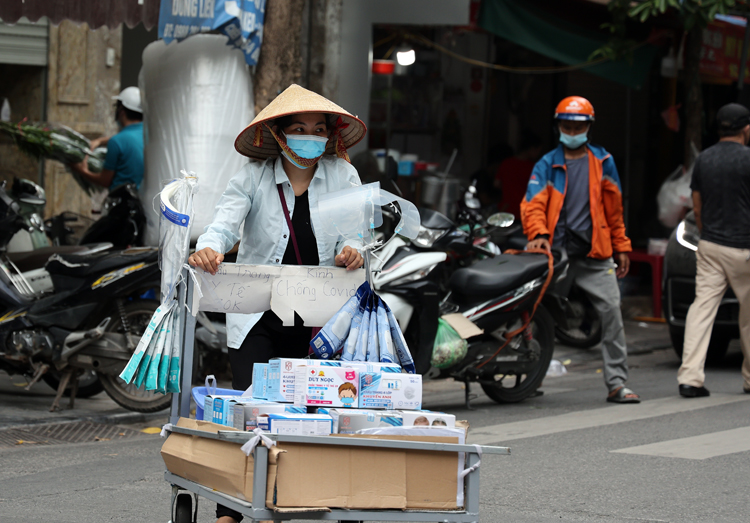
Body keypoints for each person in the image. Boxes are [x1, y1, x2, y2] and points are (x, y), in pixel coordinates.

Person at [188, 84, 365, 523]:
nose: (311, 136)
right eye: (300, 128)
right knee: (251, 413)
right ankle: (229, 509)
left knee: (316, 416)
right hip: (257, 316)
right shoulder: (252, 175)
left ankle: (305, 501)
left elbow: (355, 233)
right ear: (280, 135)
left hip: (320, 319)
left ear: (329, 136)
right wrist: (209, 247)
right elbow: (224, 224)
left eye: (319, 129)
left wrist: (353, 250)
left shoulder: (344, 176)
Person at [521, 96, 639, 404]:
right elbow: (533, 204)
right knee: (531, 311)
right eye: (567, 125)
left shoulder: (603, 162)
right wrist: (539, 234)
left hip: (594, 253)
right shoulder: (546, 164)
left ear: (588, 127)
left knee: (612, 312)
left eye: (578, 125)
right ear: (559, 126)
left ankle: (616, 383)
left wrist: (622, 245)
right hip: (556, 253)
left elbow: (615, 211)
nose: (572, 130)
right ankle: (527, 377)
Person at [677, 103, 750, 398]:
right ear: (745, 128)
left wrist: (709, 232)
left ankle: (690, 378)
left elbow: (696, 206)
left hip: (710, 246)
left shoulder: (704, 159)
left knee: (702, 309)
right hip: (744, 248)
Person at [71, 86, 144, 190]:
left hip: (122, 201)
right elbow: (131, 141)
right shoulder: (151, 134)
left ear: (121, 111)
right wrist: (100, 141)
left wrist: (82, 170)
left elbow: (104, 181)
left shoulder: (117, 142)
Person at [495, 130, 542, 219]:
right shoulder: (533, 168)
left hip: (505, 210)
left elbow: (496, 184)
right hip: (524, 213)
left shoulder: (506, 163)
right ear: (532, 149)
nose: (538, 154)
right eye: (538, 151)